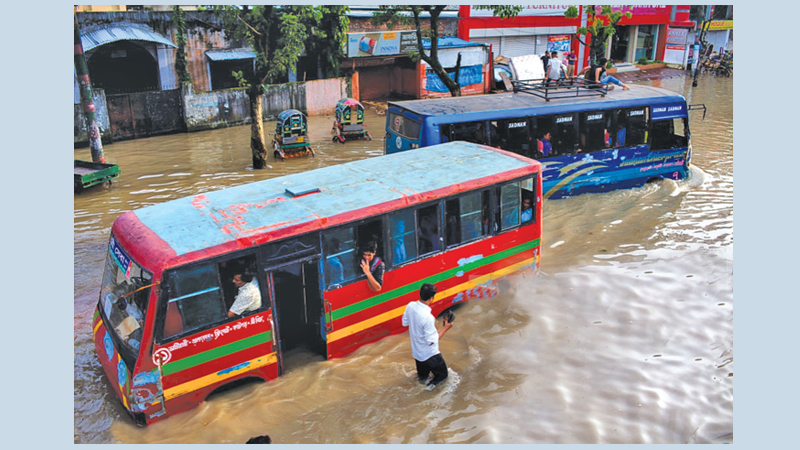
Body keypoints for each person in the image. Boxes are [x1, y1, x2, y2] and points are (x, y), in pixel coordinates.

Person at [401, 283, 454, 386]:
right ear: (431, 298)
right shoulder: (428, 318)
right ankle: (428, 392)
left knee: (422, 378)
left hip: (417, 354)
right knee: (443, 376)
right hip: (430, 355)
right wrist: (446, 328)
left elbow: (405, 323)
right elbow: (432, 341)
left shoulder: (410, 306)